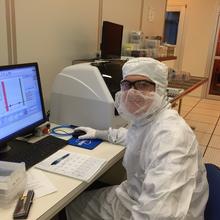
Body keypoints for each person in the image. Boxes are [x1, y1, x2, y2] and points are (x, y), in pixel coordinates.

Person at [65, 57, 209, 220]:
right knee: (73, 205)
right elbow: (136, 137)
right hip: (133, 196)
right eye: (127, 85)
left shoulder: (172, 137)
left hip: (151, 210)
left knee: (69, 208)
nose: (132, 93)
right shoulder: (146, 119)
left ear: (160, 89)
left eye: (142, 85)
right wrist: (99, 133)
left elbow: (160, 215)